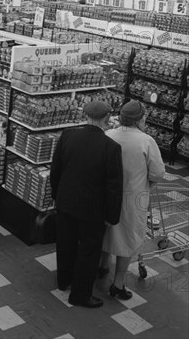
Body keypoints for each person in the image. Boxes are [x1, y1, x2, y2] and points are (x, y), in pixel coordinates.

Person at [50, 100, 123, 309]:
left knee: (65, 243)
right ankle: (80, 295)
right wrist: (112, 216)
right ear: (107, 119)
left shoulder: (68, 135)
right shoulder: (111, 147)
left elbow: (56, 170)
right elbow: (113, 187)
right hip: (93, 210)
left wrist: (56, 196)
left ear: (85, 115)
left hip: (66, 202)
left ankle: (63, 281)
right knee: (89, 251)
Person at [98, 100, 165, 300]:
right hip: (132, 197)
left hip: (106, 195)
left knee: (106, 232)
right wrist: (148, 183)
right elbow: (158, 172)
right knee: (127, 239)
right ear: (139, 120)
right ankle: (118, 284)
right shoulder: (145, 141)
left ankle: (101, 267)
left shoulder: (108, 135)